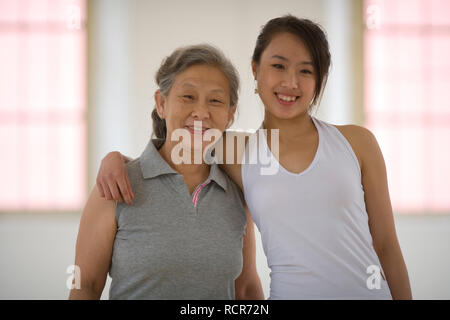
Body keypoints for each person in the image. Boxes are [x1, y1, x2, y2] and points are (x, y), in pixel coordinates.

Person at [96, 15, 412, 299]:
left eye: (306, 70)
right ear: (255, 70)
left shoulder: (356, 142)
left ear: (319, 80)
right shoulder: (237, 151)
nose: (291, 82)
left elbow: (386, 245)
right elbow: (173, 148)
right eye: (278, 66)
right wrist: (114, 158)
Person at [69, 44, 264, 300]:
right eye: (188, 96)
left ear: (229, 116)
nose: (201, 112)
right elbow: (86, 285)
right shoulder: (115, 185)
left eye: (215, 101)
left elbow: (246, 287)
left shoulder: (238, 192)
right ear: (161, 103)